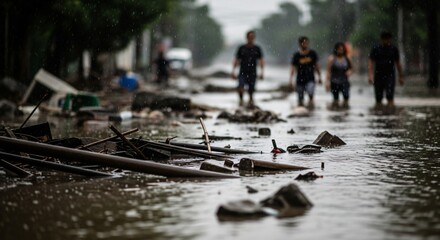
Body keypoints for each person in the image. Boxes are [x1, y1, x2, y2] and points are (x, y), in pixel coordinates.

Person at [368, 31, 404, 107]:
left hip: (390, 75)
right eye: (384, 39)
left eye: (388, 39)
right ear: (381, 39)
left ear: (390, 39)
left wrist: (401, 76)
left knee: (390, 95)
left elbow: (398, 63)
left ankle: (390, 113)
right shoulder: (376, 49)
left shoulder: (394, 49)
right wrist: (370, 76)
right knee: (378, 98)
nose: (386, 41)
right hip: (378, 75)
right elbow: (371, 63)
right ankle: (379, 113)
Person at [231, 30, 265, 107]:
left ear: (254, 38)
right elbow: (236, 60)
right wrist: (233, 71)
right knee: (240, 87)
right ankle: (241, 100)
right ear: (246, 38)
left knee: (251, 90)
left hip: (252, 72)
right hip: (242, 72)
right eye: (249, 37)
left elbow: (261, 61)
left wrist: (262, 72)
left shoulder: (257, 48)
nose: (251, 39)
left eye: (252, 37)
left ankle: (250, 102)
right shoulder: (241, 48)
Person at [289, 36, 322, 107]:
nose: (305, 44)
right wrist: (291, 80)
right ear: (299, 44)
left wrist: (319, 77)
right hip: (299, 79)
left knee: (311, 94)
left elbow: (317, 66)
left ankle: (311, 108)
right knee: (300, 98)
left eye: (307, 43)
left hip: (310, 78)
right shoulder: (296, 55)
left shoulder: (312, 53)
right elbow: (293, 68)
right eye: (303, 43)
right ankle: (302, 110)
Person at [325, 42, 353, 108]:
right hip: (334, 82)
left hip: (344, 82)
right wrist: (327, 82)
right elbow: (328, 71)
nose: (340, 51)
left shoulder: (347, 58)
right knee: (335, 99)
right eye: (339, 49)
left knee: (346, 97)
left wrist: (349, 72)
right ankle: (336, 111)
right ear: (336, 49)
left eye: (342, 49)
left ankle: (345, 111)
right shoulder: (331, 59)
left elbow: (351, 68)